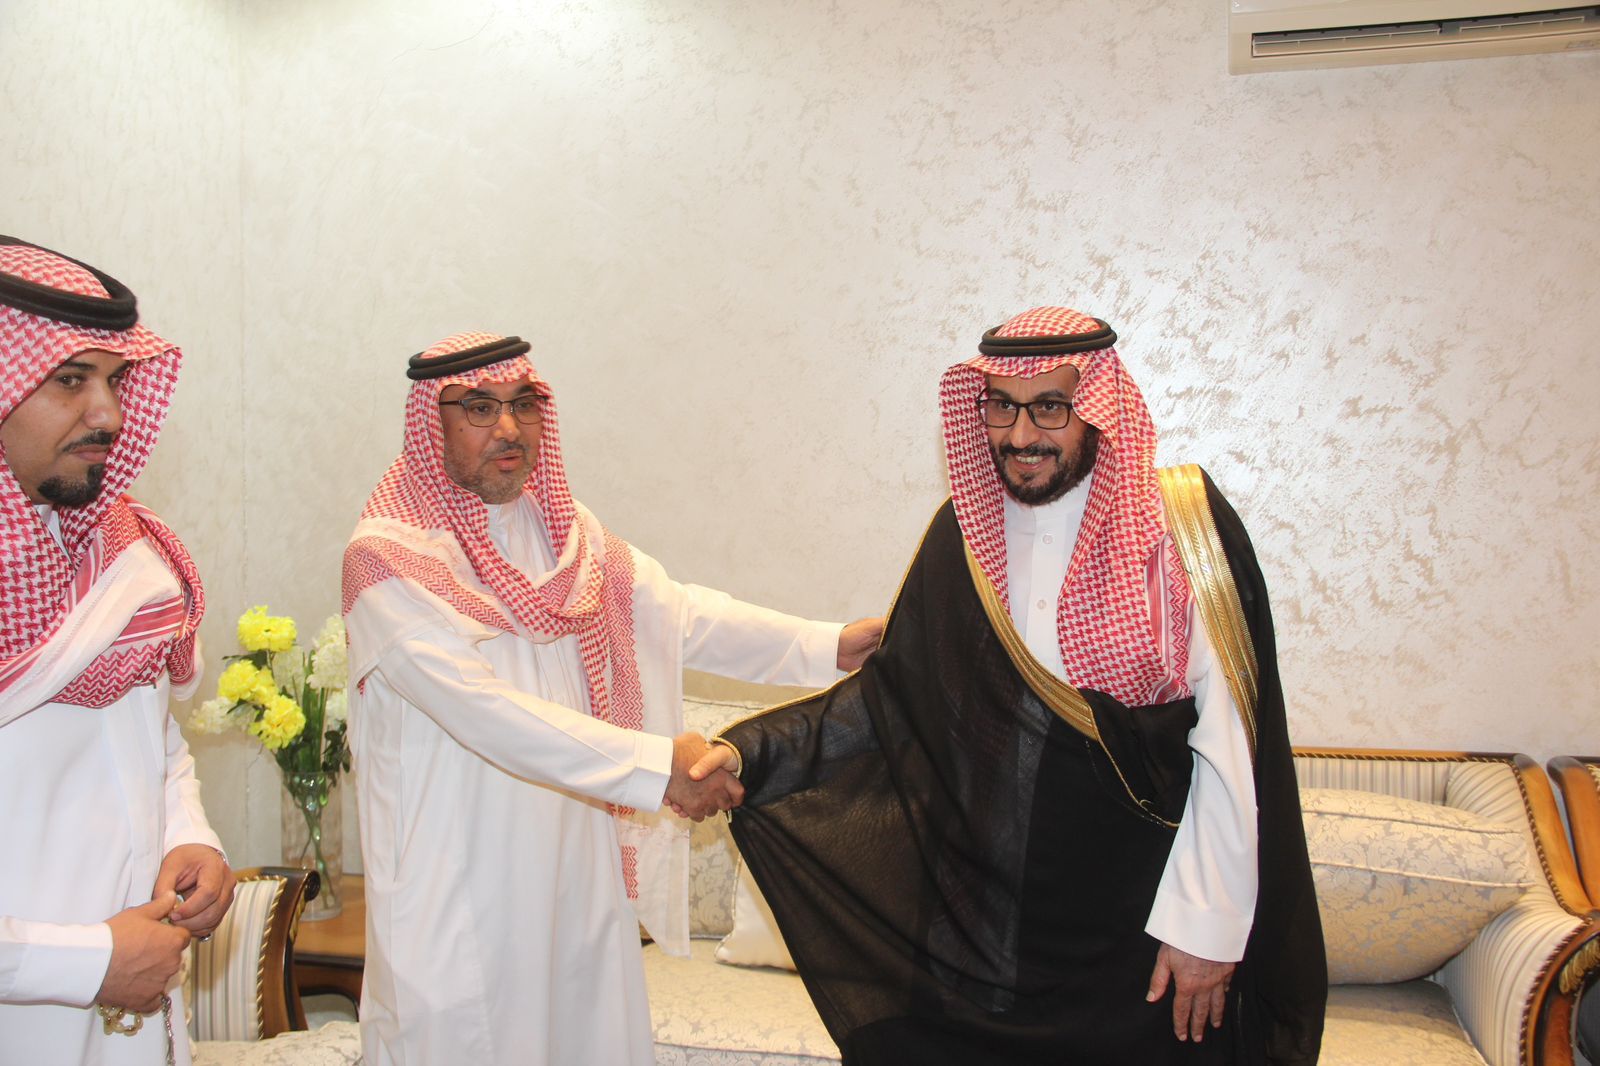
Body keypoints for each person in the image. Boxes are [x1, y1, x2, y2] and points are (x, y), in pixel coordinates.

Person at [699, 307, 1327, 1065]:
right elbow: (891, 705)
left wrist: (1206, 926)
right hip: (986, 919)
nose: (1022, 434)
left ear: (1098, 408)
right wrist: (748, 755)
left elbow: (1230, 739)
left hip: (1141, 918)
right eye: (1002, 406)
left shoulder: (1183, 530)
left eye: (1051, 407)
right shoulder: (962, 535)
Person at [341, 331, 881, 1066]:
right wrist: (657, 766)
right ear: (430, 424)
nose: (508, 427)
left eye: (523, 404)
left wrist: (827, 646)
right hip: (462, 901)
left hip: (576, 884)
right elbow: (484, 712)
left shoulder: (566, 535)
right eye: (478, 408)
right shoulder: (386, 562)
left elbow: (677, 615)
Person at [0, 236, 234, 1066]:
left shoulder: (127, 552)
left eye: (115, 379)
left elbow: (150, 737)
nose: (109, 414)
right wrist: (88, 961)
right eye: (71, 379)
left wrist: (189, 835)